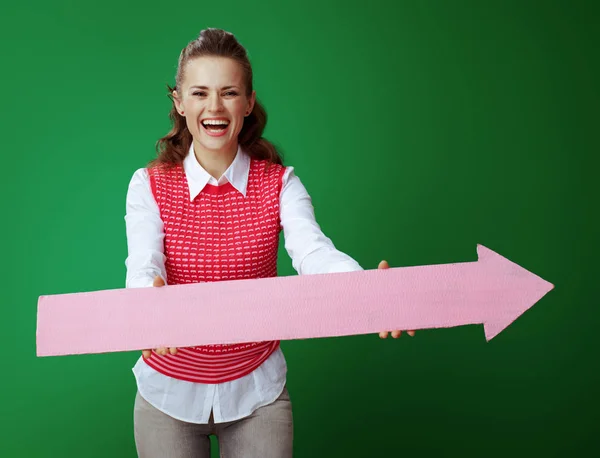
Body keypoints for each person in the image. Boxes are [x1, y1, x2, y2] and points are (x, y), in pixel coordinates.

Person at [124, 27, 415, 458]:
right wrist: (148, 300)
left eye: (229, 92)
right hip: (166, 396)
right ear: (179, 102)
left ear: (248, 102)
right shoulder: (148, 184)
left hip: (257, 394)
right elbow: (144, 267)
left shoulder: (280, 183)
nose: (215, 107)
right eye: (200, 93)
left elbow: (314, 253)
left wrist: (366, 290)